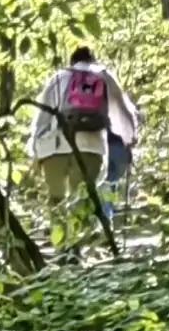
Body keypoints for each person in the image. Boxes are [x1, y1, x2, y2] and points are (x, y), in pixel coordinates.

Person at [23, 45, 143, 251]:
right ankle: (77, 252)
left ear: (72, 61)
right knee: (82, 199)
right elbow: (122, 110)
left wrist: (34, 150)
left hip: (54, 147)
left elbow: (41, 119)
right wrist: (130, 137)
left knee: (57, 201)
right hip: (91, 146)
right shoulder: (103, 76)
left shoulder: (59, 77)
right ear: (92, 59)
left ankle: (61, 249)